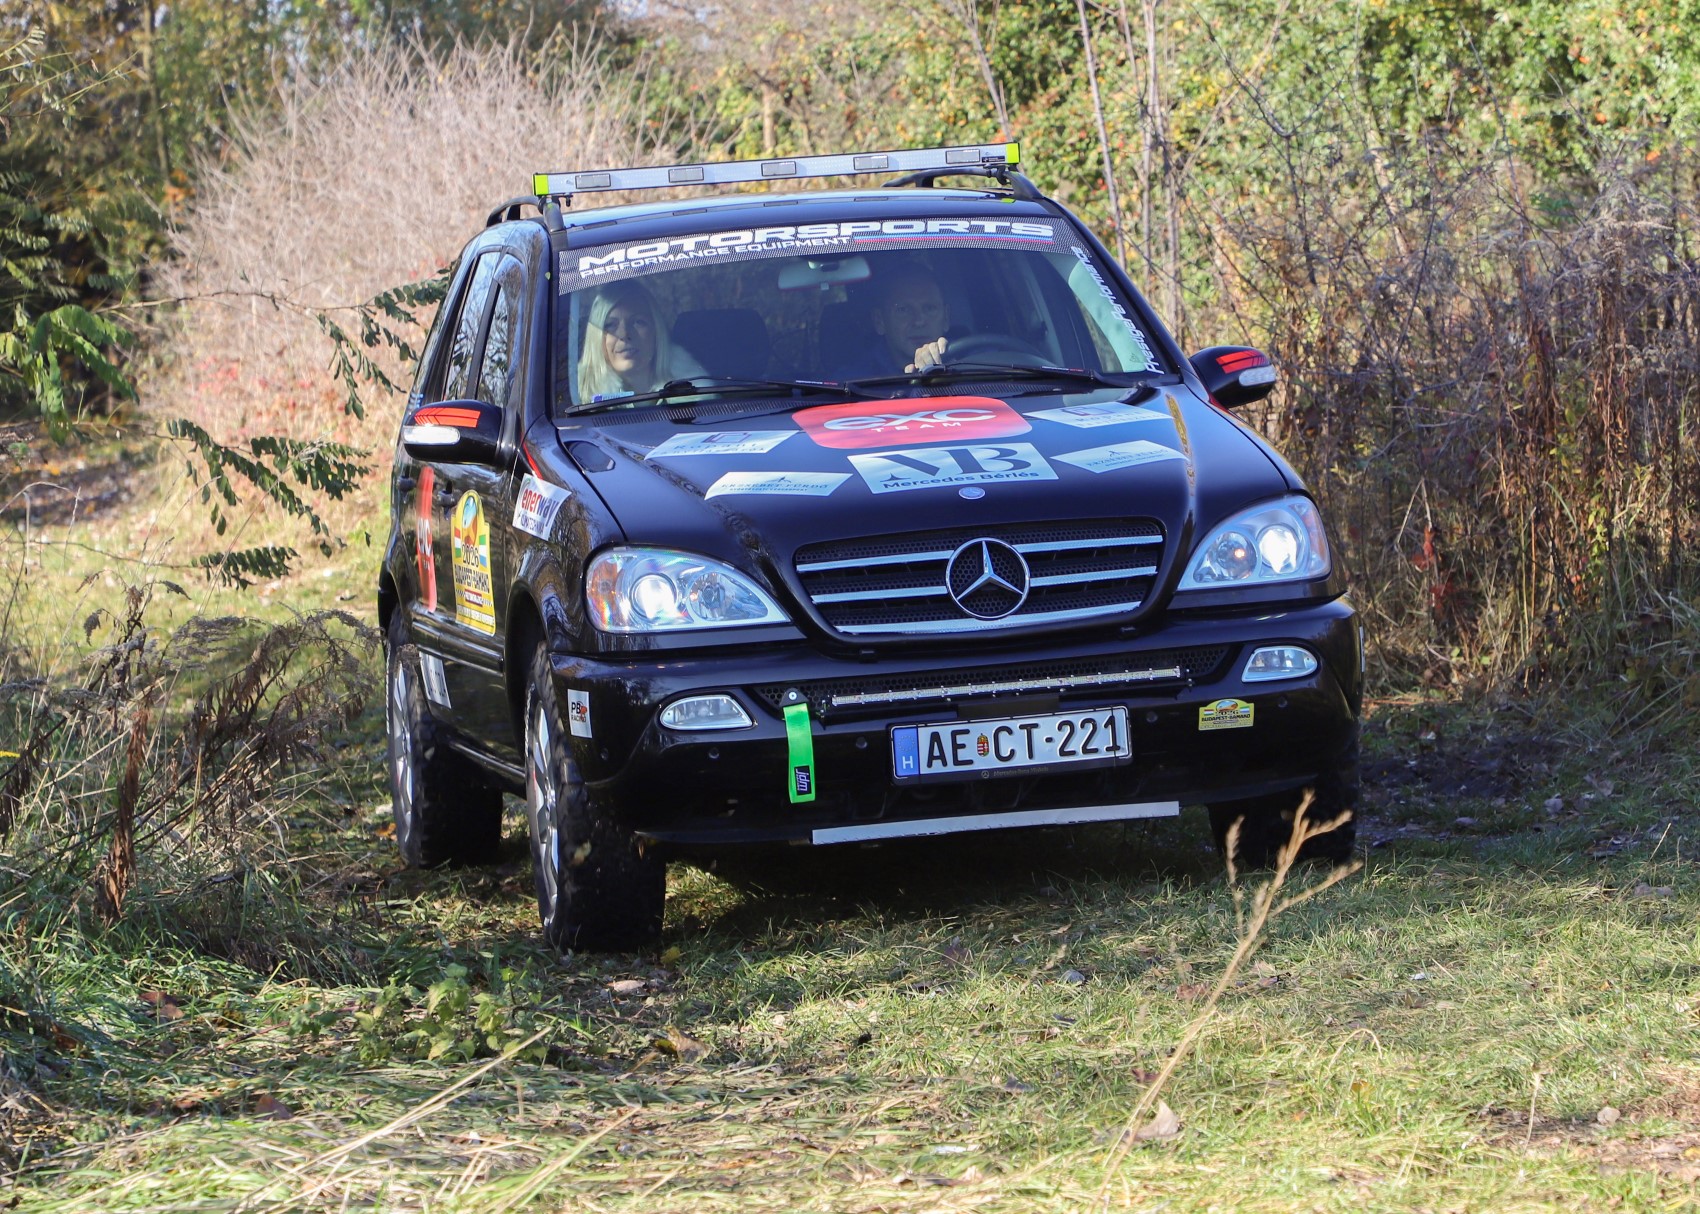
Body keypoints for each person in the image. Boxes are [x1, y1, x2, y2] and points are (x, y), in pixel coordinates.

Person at [576, 280, 705, 401]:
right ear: (596, 337)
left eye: (638, 322)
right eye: (610, 325)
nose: (624, 334)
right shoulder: (576, 402)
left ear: (656, 331)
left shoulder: (701, 399)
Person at [832, 265, 952, 379]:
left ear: (946, 317)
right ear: (879, 321)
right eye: (903, 310)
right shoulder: (852, 381)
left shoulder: (962, 368)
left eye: (930, 308)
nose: (919, 321)